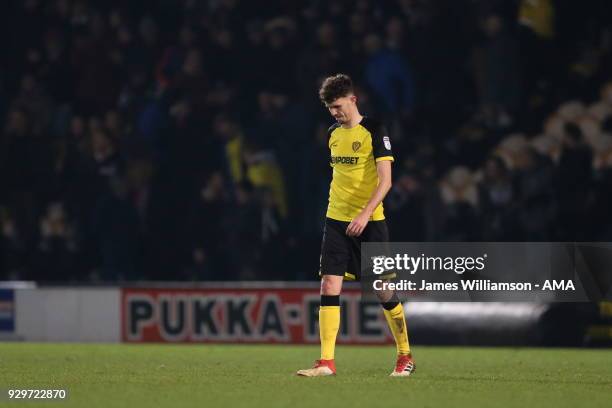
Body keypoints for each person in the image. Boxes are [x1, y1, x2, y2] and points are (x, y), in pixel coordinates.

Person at [297, 74, 414, 377]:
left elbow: (386, 181)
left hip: (370, 221)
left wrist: (364, 214)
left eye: (337, 106)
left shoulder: (375, 130)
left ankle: (404, 356)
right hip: (336, 219)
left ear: (353, 99)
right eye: (329, 108)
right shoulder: (333, 133)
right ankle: (326, 362)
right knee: (328, 284)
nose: (334, 113)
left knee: (382, 289)